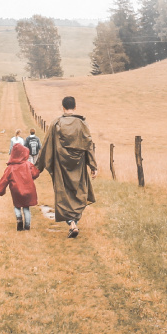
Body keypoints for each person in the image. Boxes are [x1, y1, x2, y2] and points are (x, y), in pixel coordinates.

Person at [35, 95, 96, 238]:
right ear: (75, 107)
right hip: (79, 166)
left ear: (63, 107)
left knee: (63, 194)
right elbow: (89, 145)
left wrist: (38, 167)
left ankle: (72, 224)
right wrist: (93, 165)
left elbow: (46, 145)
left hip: (60, 165)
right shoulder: (82, 124)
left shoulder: (56, 123)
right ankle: (74, 222)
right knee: (78, 193)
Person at [0, 143, 41, 231]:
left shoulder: (10, 168)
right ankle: (27, 226)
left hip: (16, 191)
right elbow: (35, 174)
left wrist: (1, 191)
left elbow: (4, 180)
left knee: (17, 206)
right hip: (28, 189)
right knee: (26, 207)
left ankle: (19, 219)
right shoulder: (28, 165)